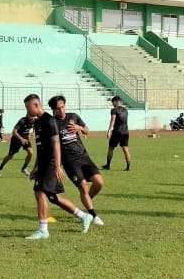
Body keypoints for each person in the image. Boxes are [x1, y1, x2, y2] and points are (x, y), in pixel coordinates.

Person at [24, 94, 95, 240]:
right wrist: (36, 167)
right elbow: (40, 148)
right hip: (43, 164)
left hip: (51, 164)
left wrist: (57, 166)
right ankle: (84, 216)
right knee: (53, 196)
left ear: (36, 105)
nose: (27, 110)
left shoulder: (49, 121)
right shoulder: (37, 124)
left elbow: (56, 143)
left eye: (28, 107)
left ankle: (43, 230)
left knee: (40, 193)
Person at [50, 95, 105, 226]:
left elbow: (87, 130)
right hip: (70, 162)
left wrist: (79, 128)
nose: (61, 111)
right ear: (53, 110)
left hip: (84, 157)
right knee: (83, 187)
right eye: (58, 109)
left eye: (63, 107)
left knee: (99, 183)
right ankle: (93, 215)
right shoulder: (53, 123)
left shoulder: (73, 116)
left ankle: (87, 201)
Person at [0, 113, 35, 177]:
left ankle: (24, 168)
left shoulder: (35, 120)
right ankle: (0, 167)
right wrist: (21, 139)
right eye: (31, 116)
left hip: (25, 138)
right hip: (16, 139)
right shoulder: (22, 121)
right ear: (27, 116)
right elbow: (14, 131)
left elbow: (35, 127)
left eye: (33, 116)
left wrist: (33, 133)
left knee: (30, 152)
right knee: (10, 156)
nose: (32, 118)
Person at [104, 96, 131, 171]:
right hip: (125, 132)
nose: (112, 104)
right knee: (125, 149)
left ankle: (108, 165)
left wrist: (109, 130)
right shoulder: (125, 110)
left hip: (117, 132)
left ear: (116, 101)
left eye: (112, 102)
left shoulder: (114, 110)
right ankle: (128, 167)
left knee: (111, 148)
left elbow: (113, 120)